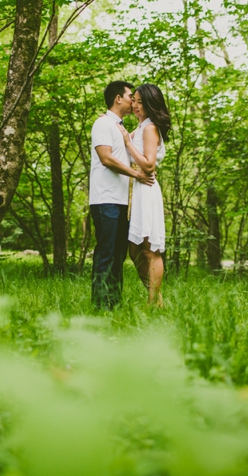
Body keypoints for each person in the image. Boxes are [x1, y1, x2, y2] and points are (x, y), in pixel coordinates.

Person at [90, 81, 155, 309]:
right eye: (131, 97)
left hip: (121, 202)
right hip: (104, 200)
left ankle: (113, 304)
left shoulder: (121, 127)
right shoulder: (102, 124)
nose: (134, 102)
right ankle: (100, 305)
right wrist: (135, 175)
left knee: (119, 255)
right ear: (118, 98)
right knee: (106, 253)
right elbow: (106, 159)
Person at [116, 84, 171, 307]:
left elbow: (148, 165)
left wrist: (128, 142)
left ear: (150, 104)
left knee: (150, 251)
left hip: (145, 189)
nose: (135, 105)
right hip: (135, 189)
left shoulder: (149, 128)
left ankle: (152, 301)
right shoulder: (140, 127)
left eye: (140, 101)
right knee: (135, 249)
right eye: (134, 100)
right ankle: (157, 298)